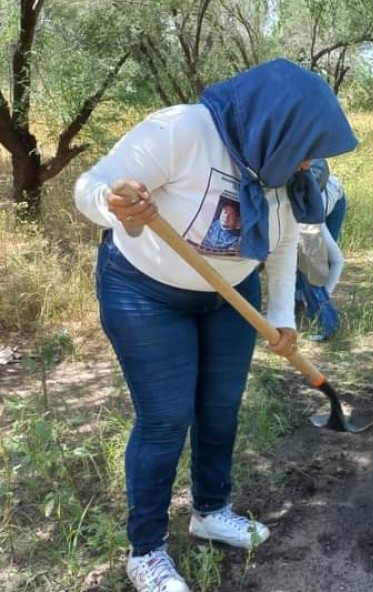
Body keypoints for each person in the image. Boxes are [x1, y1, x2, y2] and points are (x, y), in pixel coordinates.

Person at [74, 58, 357, 592]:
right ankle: (147, 551)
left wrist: (279, 315)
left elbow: (282, 240)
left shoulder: (277, 163)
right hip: (146, 292)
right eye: (308, 147)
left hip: (231, 297)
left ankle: (210, 510)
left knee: (220, 408)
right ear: (278, 125)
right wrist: (111, 206)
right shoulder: (183, 130)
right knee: (165, 418)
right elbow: (94, 184)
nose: (311, 162)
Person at [295, 159, 347, 341]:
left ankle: (328, 325)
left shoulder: (311, 218)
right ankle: (298, 300)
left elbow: (338, 261)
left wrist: (324, 296)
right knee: (298, 258)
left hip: (335, 202)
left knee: (314, 268)